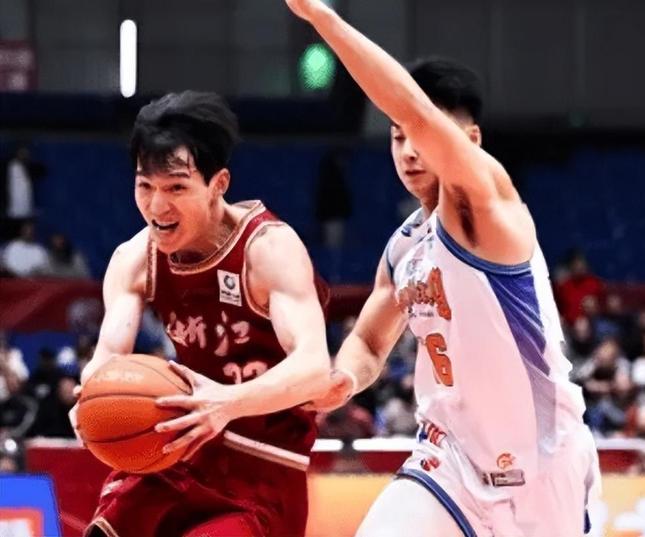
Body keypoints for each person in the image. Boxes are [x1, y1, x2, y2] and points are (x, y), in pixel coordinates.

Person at [285, 1, 601, 536]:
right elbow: (369, 341)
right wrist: (346, 377)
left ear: (470, 141)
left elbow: (414, 110)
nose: (409, 151)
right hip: (447, 461)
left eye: (419, 136)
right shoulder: (403, 248)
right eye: (396, 137)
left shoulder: (489, 206)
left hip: (543, 466)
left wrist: (325, 21)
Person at [69, 91, 332, 537]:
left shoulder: (268, 249)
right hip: (175, 454)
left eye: (176, 187)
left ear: (219, 183)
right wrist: (90, 397)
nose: (157, 207)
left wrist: (226, 403)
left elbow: (314, 368)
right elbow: (109, 354)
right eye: (145, 186)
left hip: (261, 468)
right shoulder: (134, 259)